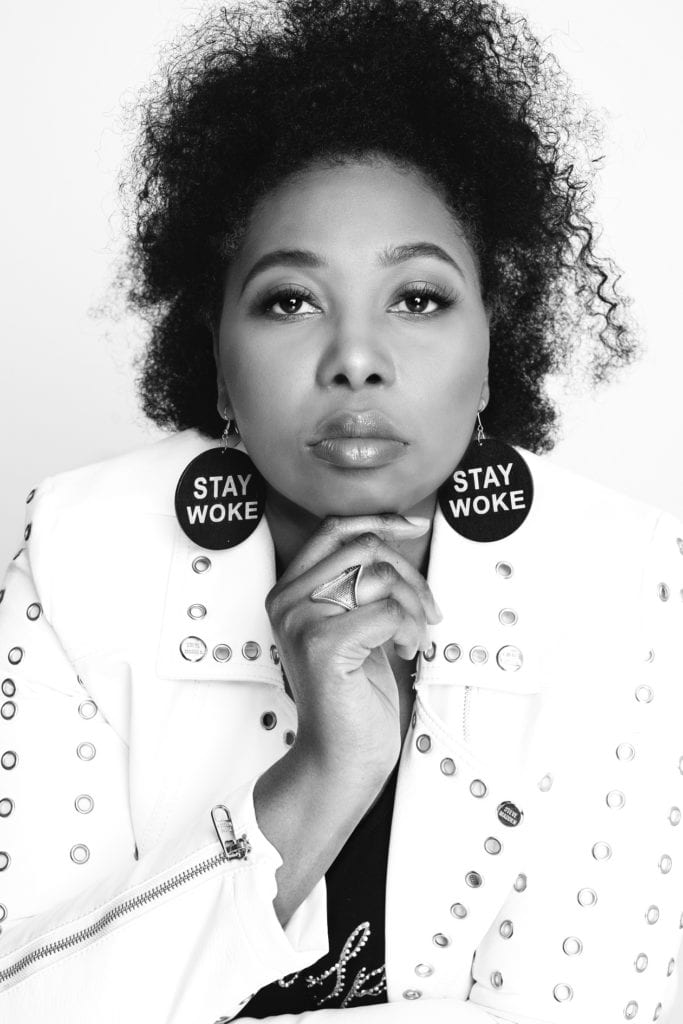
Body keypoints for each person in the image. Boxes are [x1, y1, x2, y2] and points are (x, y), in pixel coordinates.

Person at [1, 1, 681, 1022]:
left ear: (491, 349)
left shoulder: (631, 586)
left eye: (417, 298)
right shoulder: (80, 562)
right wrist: (326, 774)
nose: (355, 358)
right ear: (216, 358)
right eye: (289, 300)